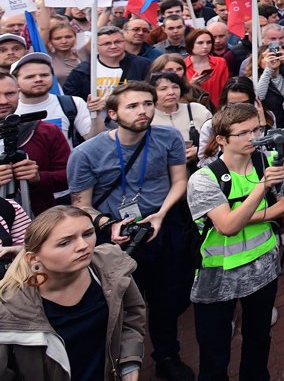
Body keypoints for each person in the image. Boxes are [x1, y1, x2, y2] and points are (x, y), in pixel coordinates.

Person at [67, 81, 194, 381]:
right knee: (122, 303)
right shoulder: (86, 153)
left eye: (148, 104)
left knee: (167, 298)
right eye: (133, 106)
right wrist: (110, 225)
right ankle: (122, 361)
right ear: (112, 113)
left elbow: (179, 180)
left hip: (163, 228)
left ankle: (166, 354)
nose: (143, 111)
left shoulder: (168, 137)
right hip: (117, 238)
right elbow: (81, 205)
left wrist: (161, 215)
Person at [189, 102, 284, 381]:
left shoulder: (268, 160)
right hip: (217, 278)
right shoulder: (203, 179)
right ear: (221, 139)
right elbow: (227, 227)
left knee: (258, 343)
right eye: (244, 133)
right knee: (214, 355)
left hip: (264, 269)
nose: (254, 137)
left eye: (257, 129)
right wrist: (263, 187)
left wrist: (239, 215)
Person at [0, 205, 147, 380]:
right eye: (64, 242)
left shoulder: (112, 267)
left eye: (88, 234)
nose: (83, 246)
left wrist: (129, 362)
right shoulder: (9, 308)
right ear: (33, 258)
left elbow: (131, 318)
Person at [0, 71, 72, 215]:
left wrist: (38, 178)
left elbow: (70, 175)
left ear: (19, 93)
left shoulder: (45, 131)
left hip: (39, 220)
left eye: (10, 94)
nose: (3, 101)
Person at [13, 52, 92, 147]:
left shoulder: (73, 103)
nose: (38, 79)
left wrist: (97, 115)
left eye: (44, 75)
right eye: (30, 77)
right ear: (15, 81)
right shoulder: (7, 110)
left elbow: (94, 139)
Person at [150, 70, 211, 167]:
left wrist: (200, 151)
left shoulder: (197, 110)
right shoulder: (147, 115)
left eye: (175, 87)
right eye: (163, 89)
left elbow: (216, 140)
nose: (171, 92)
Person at [185, 28, 230, 110]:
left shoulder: (220, 62)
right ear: (191, 44)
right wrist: (191, 85)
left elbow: (225, 89)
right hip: (191, 110)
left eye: (209, 42)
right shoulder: (182, 66)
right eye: (200, 43)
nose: (205, 46)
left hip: (217, 110)